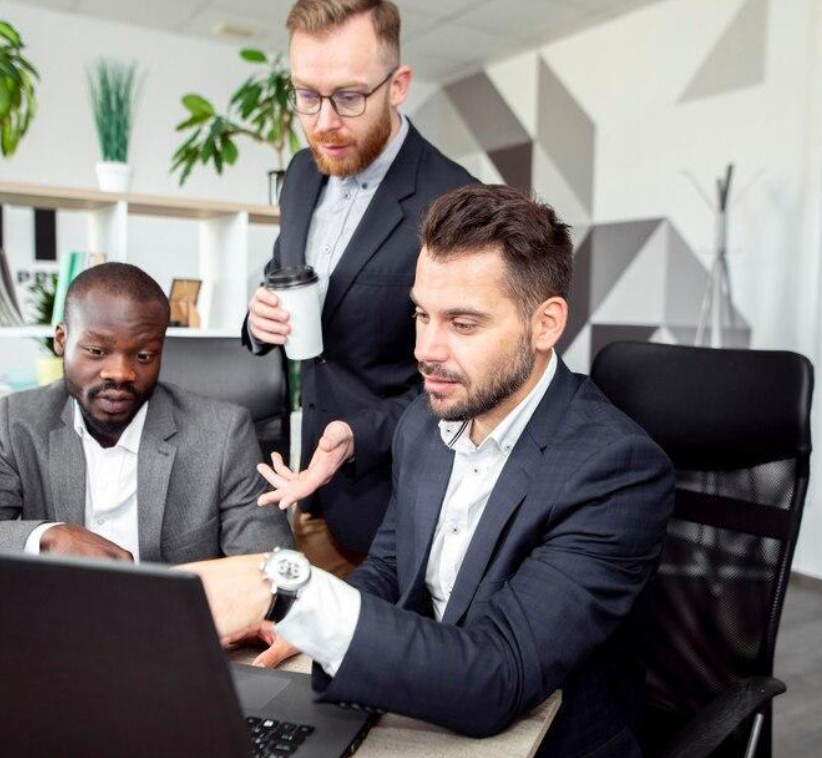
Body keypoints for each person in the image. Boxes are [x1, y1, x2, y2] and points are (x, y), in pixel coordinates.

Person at [186, 185, 675, 757]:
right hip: (430, 709)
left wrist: (293, 596)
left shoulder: (616, 471)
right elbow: (389, 572)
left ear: (545, 325)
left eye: (462, 324)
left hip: (545, 741)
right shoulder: (426, 420)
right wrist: (301, 630)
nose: (426, 349)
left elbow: (500, 676)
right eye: (421, 314)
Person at [244, 0, 476, 572]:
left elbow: (470, 385)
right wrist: (257, 321)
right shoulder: (301, 173)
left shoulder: (456, 203)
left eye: (348, 97)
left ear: (398, 86)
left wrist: (358, 436)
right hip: (299, 488)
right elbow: (283, 271)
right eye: (306, 95)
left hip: (390, 511)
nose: (323, 122)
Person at [0, 263, 293, 563]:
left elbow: (274, 569)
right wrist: (48, 537)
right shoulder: (20, 422)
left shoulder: (222, 433)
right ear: (62, 341)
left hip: (174, 634)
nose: (121, 373)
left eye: (144, 355)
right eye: (97, 352)